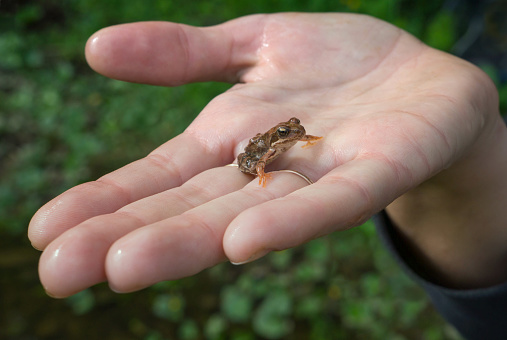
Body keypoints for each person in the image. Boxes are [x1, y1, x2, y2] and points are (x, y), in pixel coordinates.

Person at [27, 13, 507, 338]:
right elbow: (254, 158)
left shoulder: (289, 137)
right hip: (245, 160)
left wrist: (305, 140)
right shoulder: (266, 145)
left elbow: (297, 137)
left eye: (293, 131)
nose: (294, 134)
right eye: (289, 130)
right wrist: (258, 174)